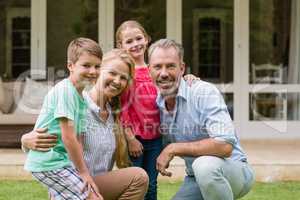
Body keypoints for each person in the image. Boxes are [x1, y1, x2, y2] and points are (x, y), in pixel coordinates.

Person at [22, 47, 149, 200]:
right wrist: (25, 141)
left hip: (97, 185)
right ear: (98, 72)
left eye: (123, 77)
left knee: (138, 177)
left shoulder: (117, 114)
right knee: (138, 176)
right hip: (77, 184)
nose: (117, 81)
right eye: (112, 73)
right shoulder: (77, 104)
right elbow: (53, 134)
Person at [147, 39, 255, 200]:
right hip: (195, 178)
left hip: (232, 169)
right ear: (149, 71)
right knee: (200, 168)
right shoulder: (154, 103)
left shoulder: (203, 92)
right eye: (157, 67)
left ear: (182, 68)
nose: (163, 73)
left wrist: (173, 148)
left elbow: (224, 145)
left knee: (204, 166)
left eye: (170, 66)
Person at [115, 20, 198, 200]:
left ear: (146, 39)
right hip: (134, 139)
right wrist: (130, 139)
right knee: (134, 183)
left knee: (151, 185)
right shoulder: (124, 73)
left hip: (156, 139)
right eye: (129, 41)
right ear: (120, 45)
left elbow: (173, 85)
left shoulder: (156, 69)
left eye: (139, 38)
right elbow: (121, 110)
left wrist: (188, 77)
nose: (135, 44)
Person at [24, 37, 103, 200]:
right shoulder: (66, 91)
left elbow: (79, 138)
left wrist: (80, 168)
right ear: (70, 66)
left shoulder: (80, 96)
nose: (93, 71)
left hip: (60, 162)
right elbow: (69, 137)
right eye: (86, 65)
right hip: (49, 162)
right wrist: (83, 173)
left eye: (97, 66)